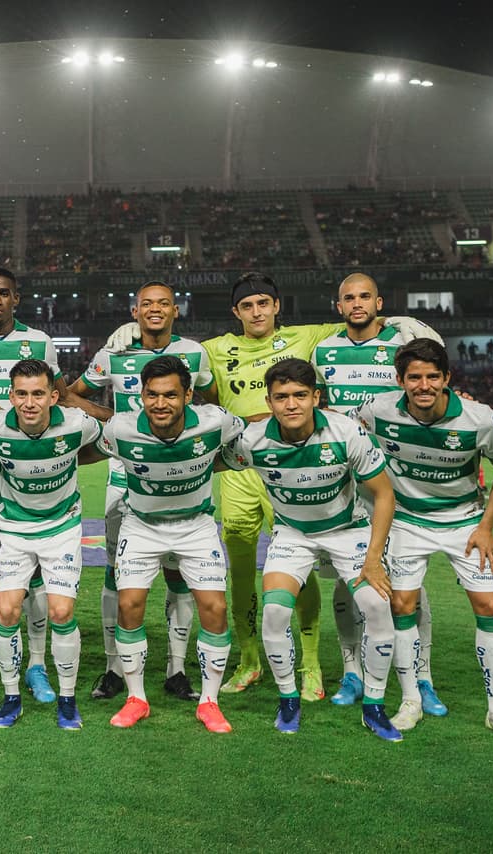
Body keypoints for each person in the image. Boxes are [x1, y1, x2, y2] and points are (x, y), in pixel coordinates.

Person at [109, 271, 431, 701]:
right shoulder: (214, 349)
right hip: (243, 464)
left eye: (264, 303)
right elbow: (172, 355)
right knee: (239, 568)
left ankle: (311, 662)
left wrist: (400, 320)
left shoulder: (309, 337)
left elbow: (357, 319)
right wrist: (134, 329)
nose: (257, 311)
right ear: (236, 311)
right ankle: (248, 659)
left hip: (301, 460)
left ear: (277, 307)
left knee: (303, 558)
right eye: (247, 305)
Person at [353, 338, 493, 744]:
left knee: (489, 605)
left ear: (447, 378)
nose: (424, 385)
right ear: (400, 381)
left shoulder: (479, 418)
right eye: (414, 377)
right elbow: (343, 427)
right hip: (406, 522)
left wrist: (485, 527)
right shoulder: (378, 409)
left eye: (433, 376)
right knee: (402, 605)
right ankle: (411, 701)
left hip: (465, 523)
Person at [223, 358, 401, 740]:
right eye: (281, 397)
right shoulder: (252, 440)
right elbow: (206, 459)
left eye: (300, 395)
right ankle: (289, 700)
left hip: (348, 530)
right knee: (273, 611)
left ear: (316, 398)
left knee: (376, 605)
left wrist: (374, 559)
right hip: (293, 533)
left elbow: (385, 494)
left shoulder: (346, 431)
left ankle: (375, 705)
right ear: (269, 402)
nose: (291, 405)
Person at [0, 267, 94, 705]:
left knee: (35, 584)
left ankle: (36, 665)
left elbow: (61, 399)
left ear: (16, 299)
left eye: (3, 293)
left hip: (27, 479)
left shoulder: (41, 342)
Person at [71, 281, 214, 703]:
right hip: (124, 478)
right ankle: (114, 667)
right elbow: (71, 394)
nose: (155, 310)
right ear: (135, 311)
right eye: (146, 304)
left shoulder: (195, 353)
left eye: (163, 304)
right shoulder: (113, 352)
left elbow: (210, 399)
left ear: (176, 311)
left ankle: (177, 669)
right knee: (117, 574)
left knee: (179, 574)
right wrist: (114, 420)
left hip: (181, 479)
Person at [312, 272, 444, 714]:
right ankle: (352, 671)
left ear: (378, 301)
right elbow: (321, 405)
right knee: (349, 580)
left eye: (364, 296)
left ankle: (422, 677)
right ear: (339, 305)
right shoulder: (324, 349)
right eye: (348, 297)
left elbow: (429, 376)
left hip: (395, 475)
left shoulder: (399, 343)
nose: (356, 303)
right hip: (345, 477)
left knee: (408, 582)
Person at [96, 356, 241, 733]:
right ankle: (136, 698)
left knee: (215, 606)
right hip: (141, 525)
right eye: (152, 395)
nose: (161, 404)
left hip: (196, 526)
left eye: (171, 395)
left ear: (189, 395)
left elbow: (249, 433)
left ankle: (209, 702)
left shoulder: (216, 421)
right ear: (141, 396)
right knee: (129, 604)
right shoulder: (120, 429)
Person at [0, 360, 104, 730]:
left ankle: (67, 699)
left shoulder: (78, 424)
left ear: (53, 396)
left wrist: (69, 459)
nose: (30, 403)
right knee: (7, 612)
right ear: (11, 396)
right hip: (14, 529)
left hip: (61, 527)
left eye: (38, 394)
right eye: (22, 394)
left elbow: (105, 445)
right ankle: (11, 697)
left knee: (61, 612)